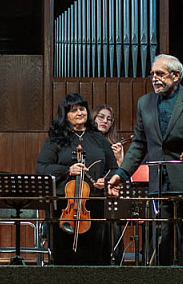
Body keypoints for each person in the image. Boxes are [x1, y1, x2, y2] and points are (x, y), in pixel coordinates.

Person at [108, 54, 183, 266]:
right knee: (159, 239)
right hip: (159, 182)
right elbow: (139, 144)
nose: (154, 78)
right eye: (152, 74)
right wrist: (121, 174)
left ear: (176, 75)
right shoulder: (145, 103)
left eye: (160, 74)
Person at [36, 93, 118, 265]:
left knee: (96, 256)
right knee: (66, 257)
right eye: (74, 110)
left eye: (82, 109)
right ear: (65, 115)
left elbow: (113, 168)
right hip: (64, 206)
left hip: (94, 204)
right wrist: (67, 170)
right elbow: (41, 167)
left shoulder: (98, 138)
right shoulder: (56, 139)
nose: (80, 113)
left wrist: (106, 179)